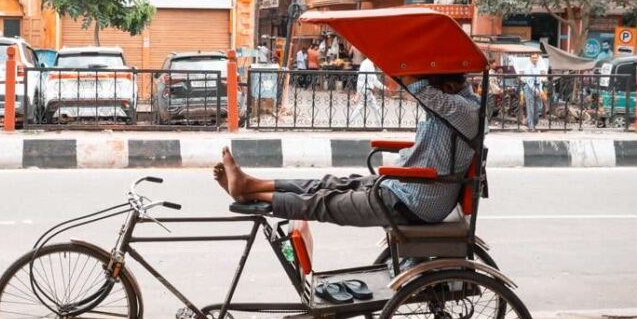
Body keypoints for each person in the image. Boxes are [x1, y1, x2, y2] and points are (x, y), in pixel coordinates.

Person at [213, 73, 479, 227]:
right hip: (407, 187)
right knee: (330, 183)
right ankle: (251, 185)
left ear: (449, 88)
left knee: (327, 202)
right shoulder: (457, 106)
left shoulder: (461, 109)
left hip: (415, 201)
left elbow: (418, 87)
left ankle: (248, 191)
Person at [353, 55, 384, 127]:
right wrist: (384, 88)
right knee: (361, 107)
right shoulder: (369, 64)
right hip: (366, 89)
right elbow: (374, 80)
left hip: (365, 88)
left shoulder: (365, 63)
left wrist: (358, 91)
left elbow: (361, 78)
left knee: (375, 108)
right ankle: (349, 122)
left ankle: (379, 125)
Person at [521, 53, 547, 131]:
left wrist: (540, 90)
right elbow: (529, 80)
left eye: (536, 58)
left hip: (537, 87)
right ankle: (531, 126)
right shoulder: (528, 67)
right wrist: (535, 90)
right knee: (530, 108)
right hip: (529, 88)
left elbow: (540, 79)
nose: (534, 59)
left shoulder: (539, 67)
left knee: (538, 107)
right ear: (530, 59)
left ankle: (528, 122)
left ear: (538, 58)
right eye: (533, 58)